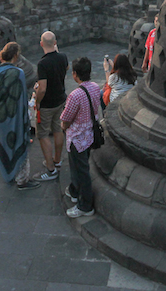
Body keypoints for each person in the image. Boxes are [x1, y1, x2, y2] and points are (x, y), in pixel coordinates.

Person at [0, 42, 38, 190]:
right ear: (16, 55)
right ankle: (22, 180)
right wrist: (25, 120)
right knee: (19, 144)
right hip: (14, 117)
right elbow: (21, 100)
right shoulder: (18, 73)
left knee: (3, 144)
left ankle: (7, 173)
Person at [61, 56, 103, 218]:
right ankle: (74, 190)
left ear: (75, 74)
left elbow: (66, 118)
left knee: (81, 170)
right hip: (89, 135)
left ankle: (85, 205)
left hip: (77, 138)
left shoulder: (75, 95)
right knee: (79, 166)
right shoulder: (94, 87)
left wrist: (63, 127)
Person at [34, 31, 68, 181]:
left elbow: (42, 88)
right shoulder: (63, 57)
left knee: (42, 134)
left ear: (41, 44)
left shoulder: (42, 64)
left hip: (46, 104)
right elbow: (65, 69)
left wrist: (37, 101)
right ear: (55, 43)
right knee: (57, 130)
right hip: (60, 100)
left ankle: (50, 168)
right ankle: (57, 159)